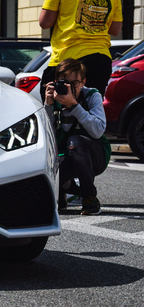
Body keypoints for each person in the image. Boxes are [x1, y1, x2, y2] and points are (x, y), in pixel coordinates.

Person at [39, 0, 123, 101]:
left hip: (69, 59)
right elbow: (115, 29)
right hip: (102, 60)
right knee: (91, 108)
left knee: (51, 101)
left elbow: (45, 22)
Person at [44, 58, 110, 216]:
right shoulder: (54, 98)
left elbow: (98, 131)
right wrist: (48, 106)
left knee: (76, 142)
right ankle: (66, 188)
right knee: (54, 202)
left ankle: (89, 198)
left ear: (83, 82)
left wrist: (74, 105)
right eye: (64, 82)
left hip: (96, 155)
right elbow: (48, 138)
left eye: (75, 83)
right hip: (67, 156)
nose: (69, 87)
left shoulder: (91, 96)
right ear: (56, 82)